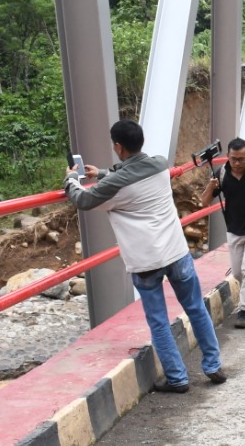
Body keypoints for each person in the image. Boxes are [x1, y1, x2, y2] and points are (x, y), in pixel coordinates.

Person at [65, 120, 225, 392]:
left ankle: (177, 378)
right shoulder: (161, 165)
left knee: (158, 320)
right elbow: (131, 172)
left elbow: (83, 200)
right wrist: (103, 172)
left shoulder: (114, 186)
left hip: (146, 261)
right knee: (196, 308)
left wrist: (72, 178)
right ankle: (213, 365)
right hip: (176, 252)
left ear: (118, 146)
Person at [199, 137, 245, 330]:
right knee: (239, 272)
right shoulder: (221, 174)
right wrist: (211, 187)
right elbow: (204, 202)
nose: (237, 163)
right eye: (233, 159)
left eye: (241, 159)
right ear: (227, 157)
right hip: (233, 229)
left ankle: (243, 310)